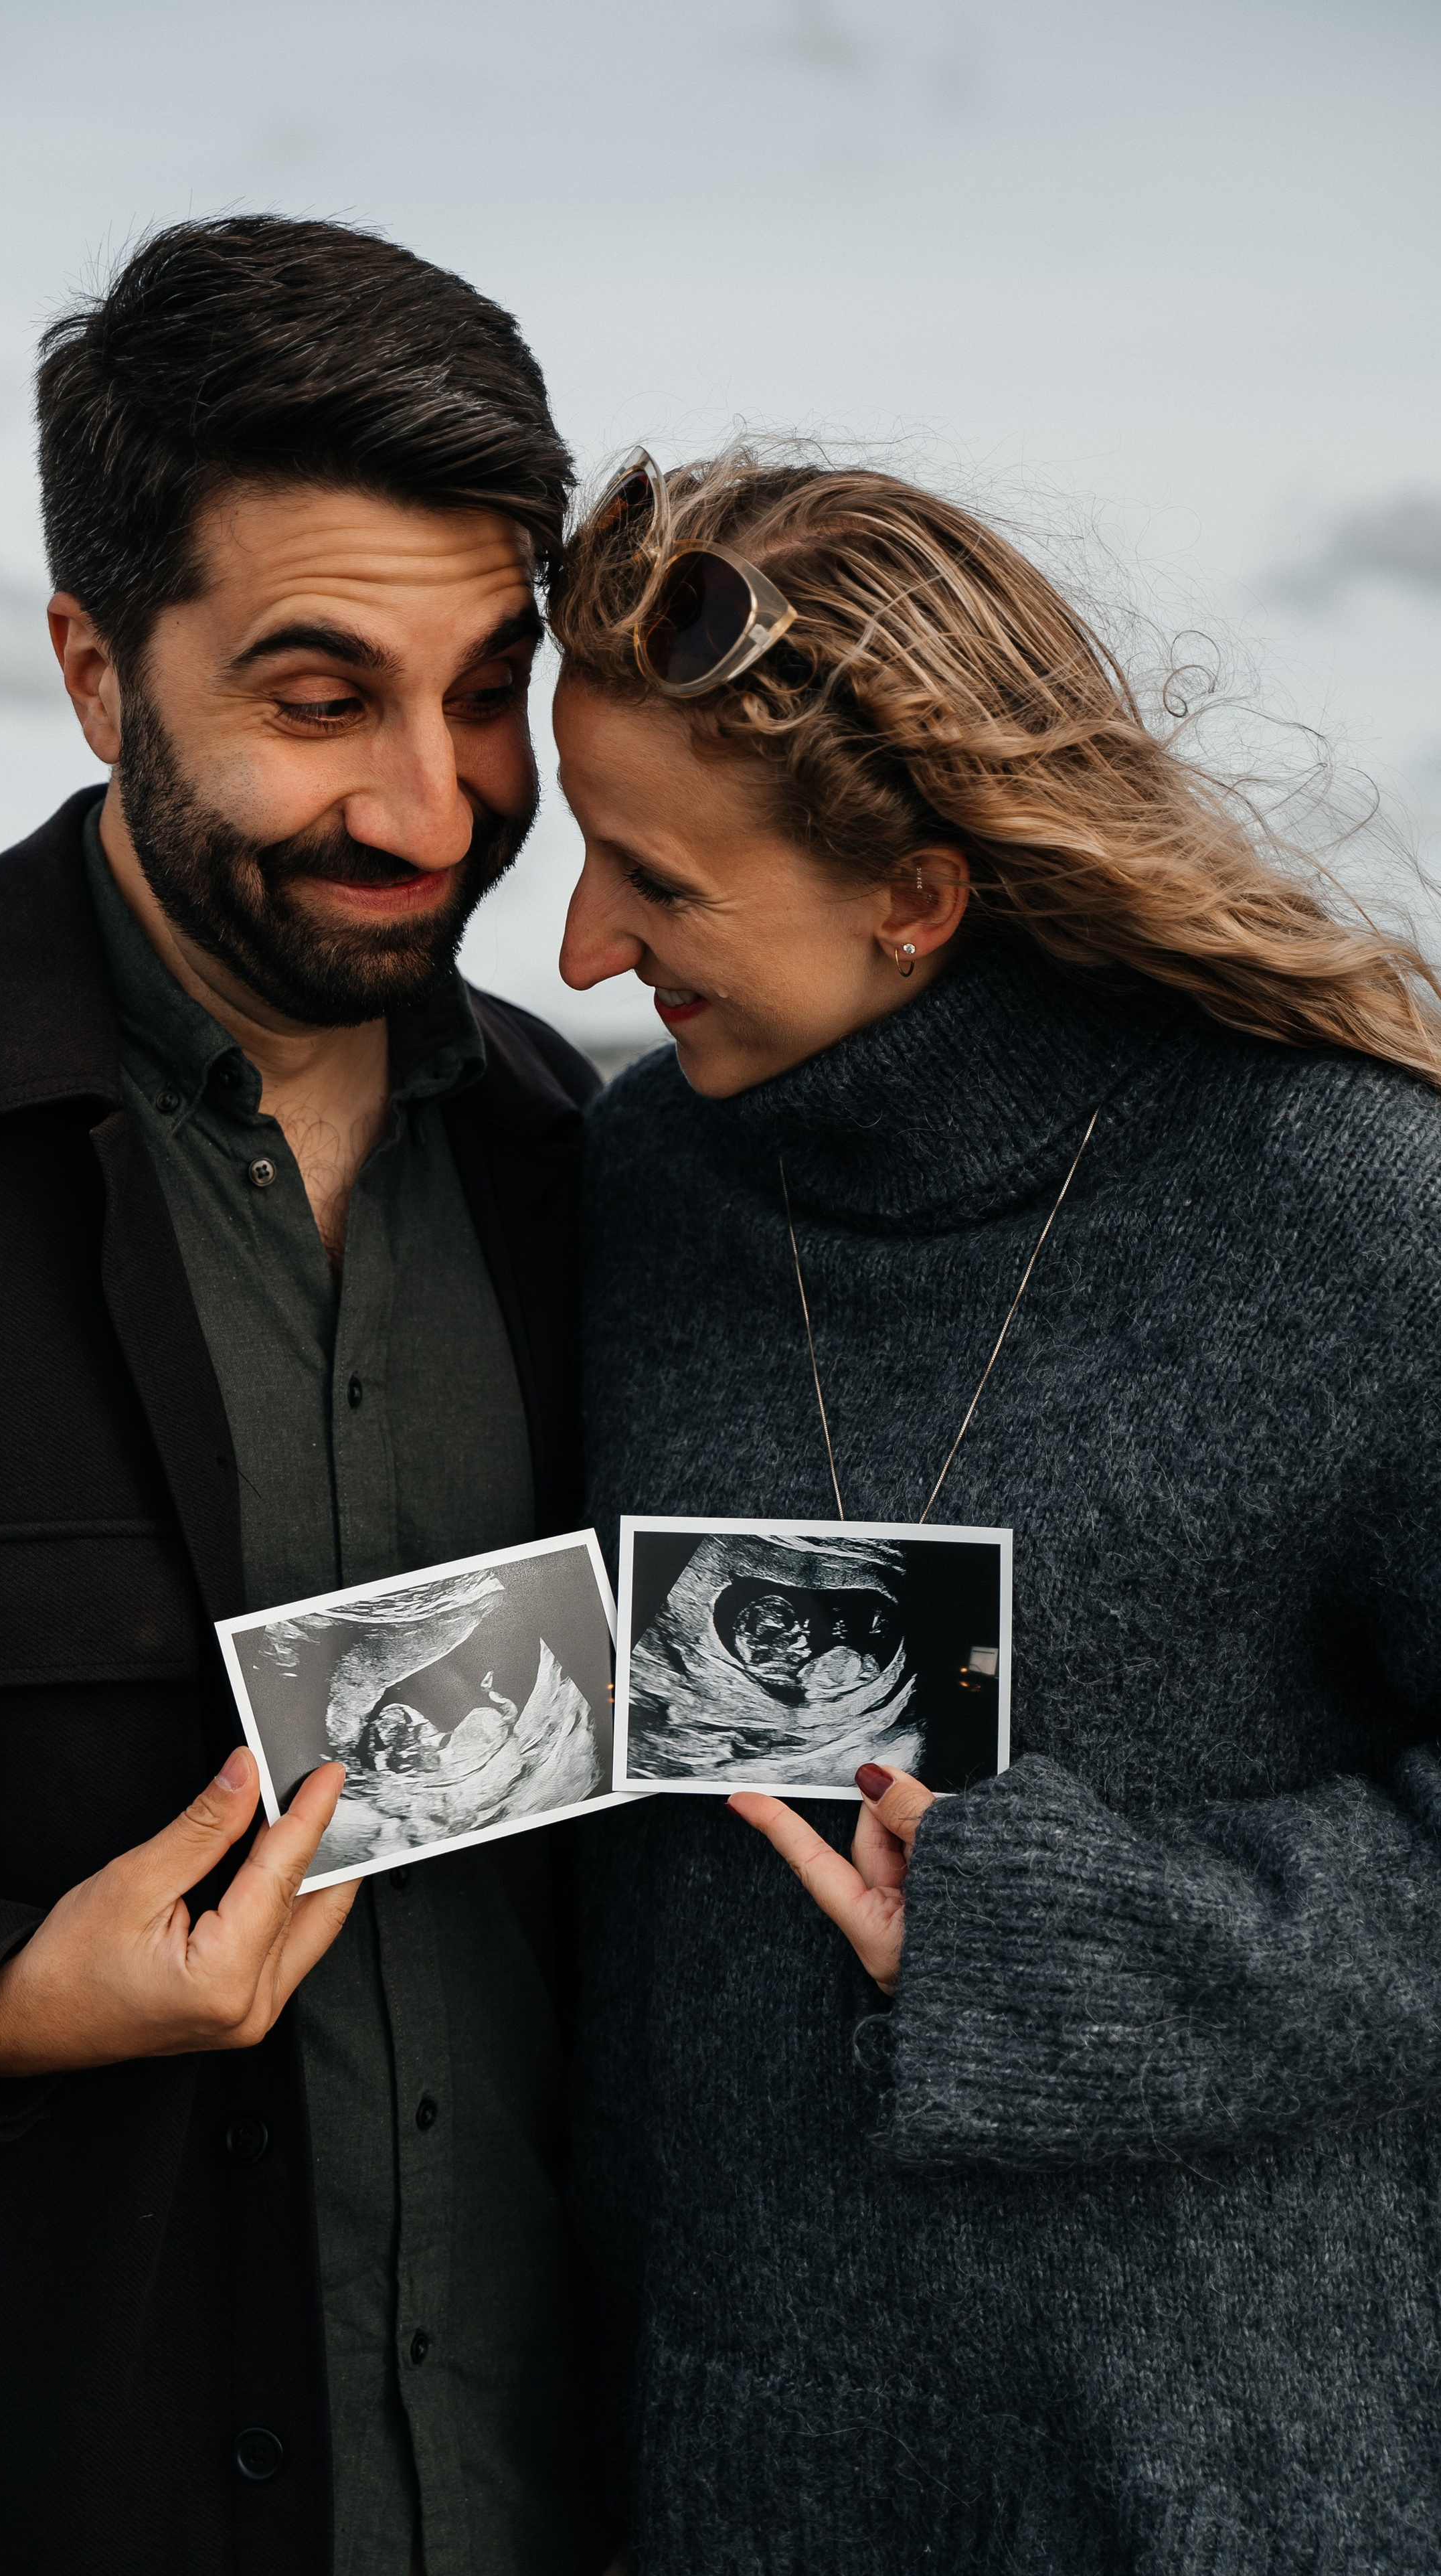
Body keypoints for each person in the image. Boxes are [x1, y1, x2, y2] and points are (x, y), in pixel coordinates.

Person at [0, 215, 613, 2576]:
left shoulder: (604, 1183)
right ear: (95, 673)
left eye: (490, 688)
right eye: (321, 698)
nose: (439, 810)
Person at [549, 451, 1441, 2571]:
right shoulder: (632, 1191)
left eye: (652, 882)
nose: (584, 949)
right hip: (698, 2471)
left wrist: (1071, 1937)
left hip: (1208, 2487)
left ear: (916, 897)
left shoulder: (1357, 1219)